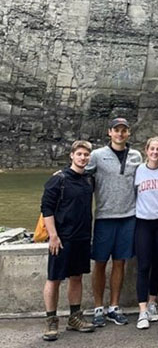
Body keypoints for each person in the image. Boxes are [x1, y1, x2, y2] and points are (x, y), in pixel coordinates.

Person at [87, 118, 143, 327]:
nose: (120, 134)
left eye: (124, 130)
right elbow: (81, 172)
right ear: (109, 132)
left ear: (128, 133)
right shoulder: (97, 156)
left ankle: (114, 306)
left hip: (129, 216)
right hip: (104, 217)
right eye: (116, 130)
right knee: (100, 262)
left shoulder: (136, 156)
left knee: (120, 262)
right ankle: (98, 307)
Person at [41, 140, 95, 341]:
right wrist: (53, 236)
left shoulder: (89, 180)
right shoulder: (59, 179)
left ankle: (74, 317)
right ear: (72, 155)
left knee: (77, 277)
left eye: (86, 155)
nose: (83, 158)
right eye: (79, 154)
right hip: (62, 238)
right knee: (54, 279)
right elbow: (46, 208)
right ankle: (51, 320)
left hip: (81, 237)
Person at [134, 137, 158, 329]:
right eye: (152, 149)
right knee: (143, 265)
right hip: (142, 223)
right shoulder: (138, 170)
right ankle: (142, 310)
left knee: (157, 264)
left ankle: (153, 302)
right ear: (146, 150)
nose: (155, 152)